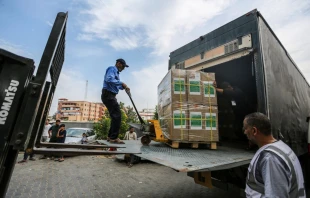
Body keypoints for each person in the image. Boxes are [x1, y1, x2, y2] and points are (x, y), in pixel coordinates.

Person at [243, 112, 305, 198]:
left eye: (246, 128)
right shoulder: (281, 146)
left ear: (254, 131)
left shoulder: (270, 158)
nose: (245, 132)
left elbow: (276, 195)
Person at [213, 81, 254, 146]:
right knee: (237, 128)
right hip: (238, 114)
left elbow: (229, 93)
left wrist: (216, 89)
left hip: (246, 114)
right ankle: (245, 142)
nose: (225, 92)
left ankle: (250, 143)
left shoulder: (238, 91)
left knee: (245, 129)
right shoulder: (229, 94)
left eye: (225, 90)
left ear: (229, 87)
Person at [101, 58, 130, 144]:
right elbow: (109, 79)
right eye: (123, 66)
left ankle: (110, 136)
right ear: (119, 63)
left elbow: (115, 84)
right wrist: (122, 83)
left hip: (110, 95)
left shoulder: (116, 73)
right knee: (117, 115)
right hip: (108, 95)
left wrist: (124, 87)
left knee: (115, 116)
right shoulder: (112, 69)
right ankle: (113, 137)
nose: (123, 68)